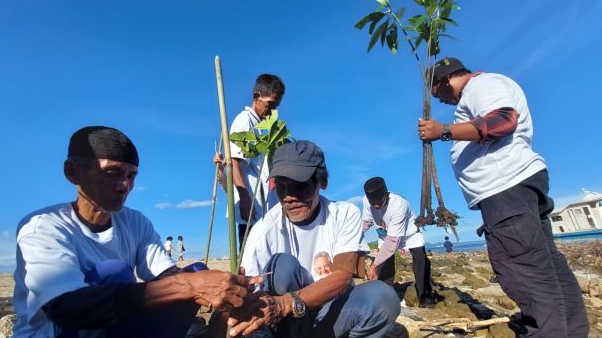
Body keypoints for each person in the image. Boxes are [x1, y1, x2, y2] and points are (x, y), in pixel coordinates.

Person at [12, 126, 251, 338]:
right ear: (73, 172)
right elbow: (65, 308)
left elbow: (164, 274)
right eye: (112, 173)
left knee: (197, 271)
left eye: (131, 175)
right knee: (115, 273)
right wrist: (189, 286)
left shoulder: (134, 221)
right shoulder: (43, 226)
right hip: (62, 330)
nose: (125, 185)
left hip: (114, 327)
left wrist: (218, 286)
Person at [418, 57, 588, 337]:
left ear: (446, 80)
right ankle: (572, 331)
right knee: (546, 264)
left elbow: (503, 119)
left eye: (438, 94)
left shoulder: (481, 85)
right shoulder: (482, 89)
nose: (442, 101)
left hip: (506, 190)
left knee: (525, 270)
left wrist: (444, 131)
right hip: (515, 186)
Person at [230, 140, 400, 337]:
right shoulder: (263, 231)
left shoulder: (344, 214)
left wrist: (286, 303)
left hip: (329, 314)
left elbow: (342, 277)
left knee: (382, 298)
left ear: (323, 182)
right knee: (282, 265)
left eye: (299, 186)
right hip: (285, 324)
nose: (289, 197)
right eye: (282, 187)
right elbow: (248, 296)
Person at [228, 74, 285, 248]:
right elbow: (234, 162)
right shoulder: (244, 120)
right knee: (250, 254)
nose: (272, 111)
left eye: (276, 107)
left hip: (262, 203)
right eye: (270, 104)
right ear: (256, 97)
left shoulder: (261, 125)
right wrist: (244, 198)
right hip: (251, 204)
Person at [362, 177, 435, 307]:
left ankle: (425, 298)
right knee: (384, 267)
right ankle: (384, 298)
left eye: (379, 202)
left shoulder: (399, 204)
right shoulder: (367, 201)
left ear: (386, 194)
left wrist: (373, 265)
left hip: (409, 234)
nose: (377, 206)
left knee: (420, 260)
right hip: (385, 233)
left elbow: (392, 243)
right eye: (374, 203)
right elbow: (366, 222)